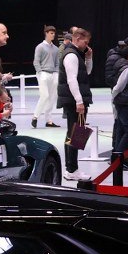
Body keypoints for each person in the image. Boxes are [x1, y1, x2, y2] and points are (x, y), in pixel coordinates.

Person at [57, 27, 94, 180]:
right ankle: (72, 170)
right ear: (77, 39)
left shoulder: (76, 54)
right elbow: (71, 80)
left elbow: (87, 72)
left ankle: (71, 169)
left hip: (74, 99)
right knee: (76, 135)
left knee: (73, 134)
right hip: (74, 101)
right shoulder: (71, 55)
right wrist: (79, 101)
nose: (87, 45)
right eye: (86, 42)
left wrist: (89, 58)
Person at [31, 25, 62, 129]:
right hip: (43, 73)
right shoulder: (40, 47)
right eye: (51, 33)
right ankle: (35, 117)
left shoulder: (56, 49)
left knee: (52, 97)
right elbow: (36, 61)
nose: (53, 35)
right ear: (46, 33)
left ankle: (49, 120)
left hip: (54, 74)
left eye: (54, 33)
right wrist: (40, 72)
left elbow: (57, 62)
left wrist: (56, 73)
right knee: (45, 96)